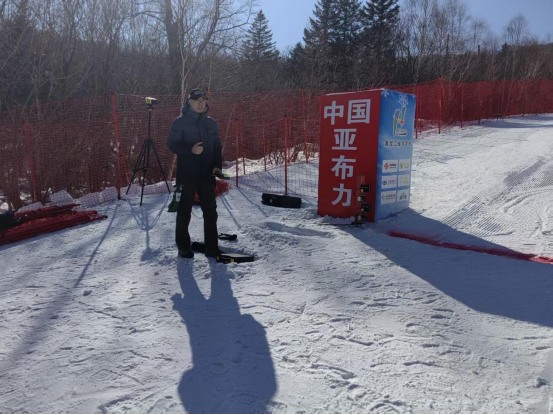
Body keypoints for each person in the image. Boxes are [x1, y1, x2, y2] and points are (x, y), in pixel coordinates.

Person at [167, 89, 223, 259]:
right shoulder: (180, 122)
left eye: (203, 100)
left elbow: (217, 146)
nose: (200, 103)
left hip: (207, 174)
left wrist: (217, 167)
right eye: (197, 100)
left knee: (210, 212)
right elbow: (172, 144)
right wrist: (190, 150)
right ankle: (183, 248)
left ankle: (212, 248)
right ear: (189, 102)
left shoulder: (211, 123)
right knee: (184, 211)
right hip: (187, 174)